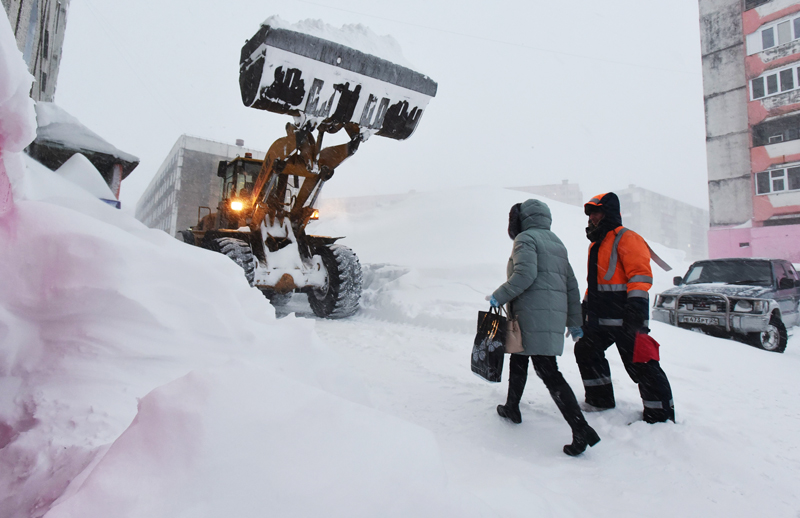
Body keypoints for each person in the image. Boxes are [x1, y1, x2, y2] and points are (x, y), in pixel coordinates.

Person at [488, 199, 600, 456]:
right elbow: (571, 285)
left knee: (548, 372)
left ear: (522, 219)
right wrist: (574, 322)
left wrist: (499, 295)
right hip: (547, 317)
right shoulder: (556, 243)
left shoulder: (525, 239)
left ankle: (580, 428)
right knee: (519, 359)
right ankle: (512, 407)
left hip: (531, 316)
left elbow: (525, 275)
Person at [576, 192, 675, 423]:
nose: (592, 218)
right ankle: (599, 400)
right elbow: (597, 282)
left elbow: (640, 277)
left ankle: (660, 414)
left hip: (626, 318)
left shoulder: (627, 238)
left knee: (642, 363)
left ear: (609, 213)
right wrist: (585, 308)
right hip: (600, 319)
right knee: (586, 351)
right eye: (590, 214)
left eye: (597, 212)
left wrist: (636, 312)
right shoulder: (596, 245)